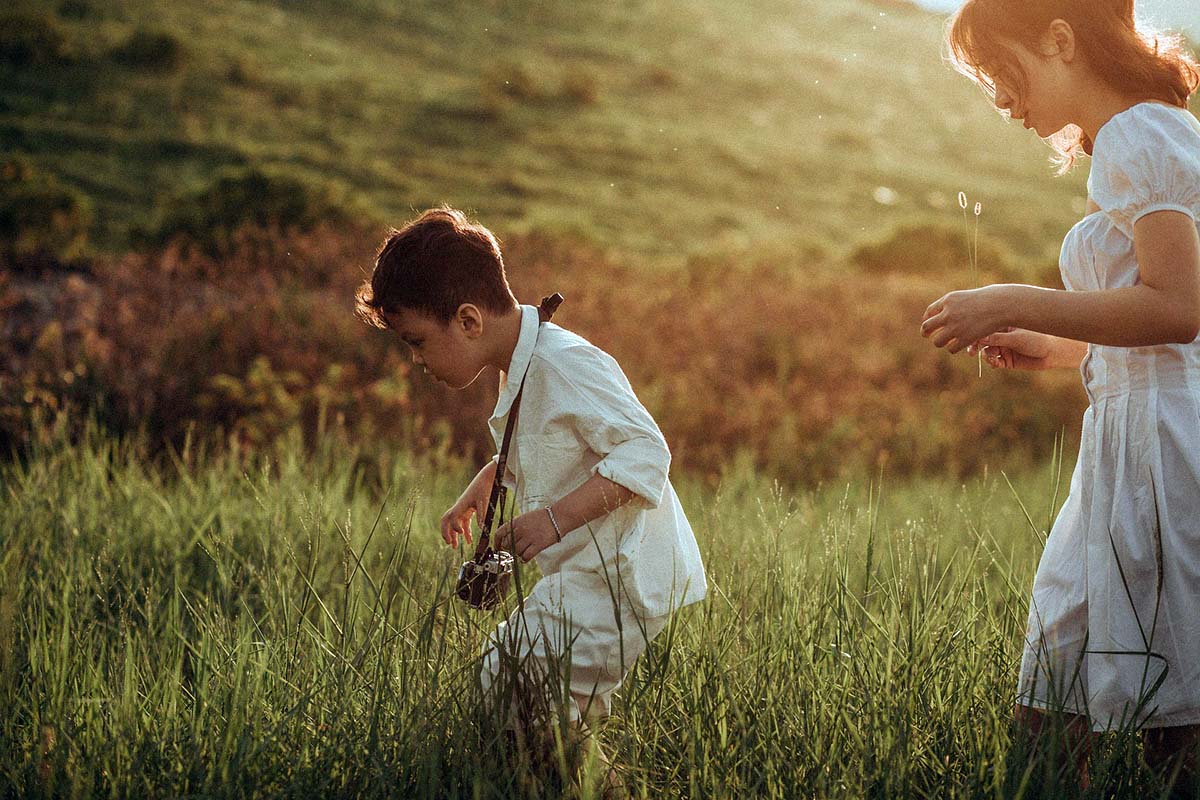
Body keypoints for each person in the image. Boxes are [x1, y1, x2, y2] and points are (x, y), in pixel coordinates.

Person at [922, 0, 1200, 793]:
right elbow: (1140, 316)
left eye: (997, 72)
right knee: (1055, 676)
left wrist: (1016, 300)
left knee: (1173, 704)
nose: (1000, 101)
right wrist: (1056, 347)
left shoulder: (1142, 136)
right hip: (1125, 435)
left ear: (1059, 38)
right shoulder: (1130, 140)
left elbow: (1179, 310)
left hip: (1169, 444)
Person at [354, 207, 706, 788]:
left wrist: (552, 520)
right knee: (512, 694)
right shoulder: (519, 358)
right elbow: (554, 442)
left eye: (417, 342)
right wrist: (488, 480)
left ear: (468, 320)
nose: (417, 362)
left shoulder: (563, 364)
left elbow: (647, 453)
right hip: (588, 575)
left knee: (523, 699)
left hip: (622, 577)